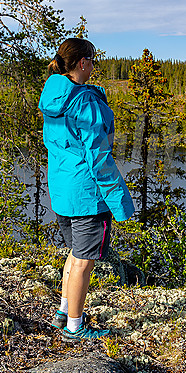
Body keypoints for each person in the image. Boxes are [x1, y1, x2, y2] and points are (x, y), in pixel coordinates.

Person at [38, 38, 135, 341]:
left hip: (64, 192)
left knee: (74, 254)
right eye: (93, 59)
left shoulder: (55, 97)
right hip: (87, 196)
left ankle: (64, 310)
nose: (94, 65)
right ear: (82, 63)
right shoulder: (86, 102)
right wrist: (119, 202)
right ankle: (74, 327)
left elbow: (56, 146)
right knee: (83, 261)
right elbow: (99, 158)